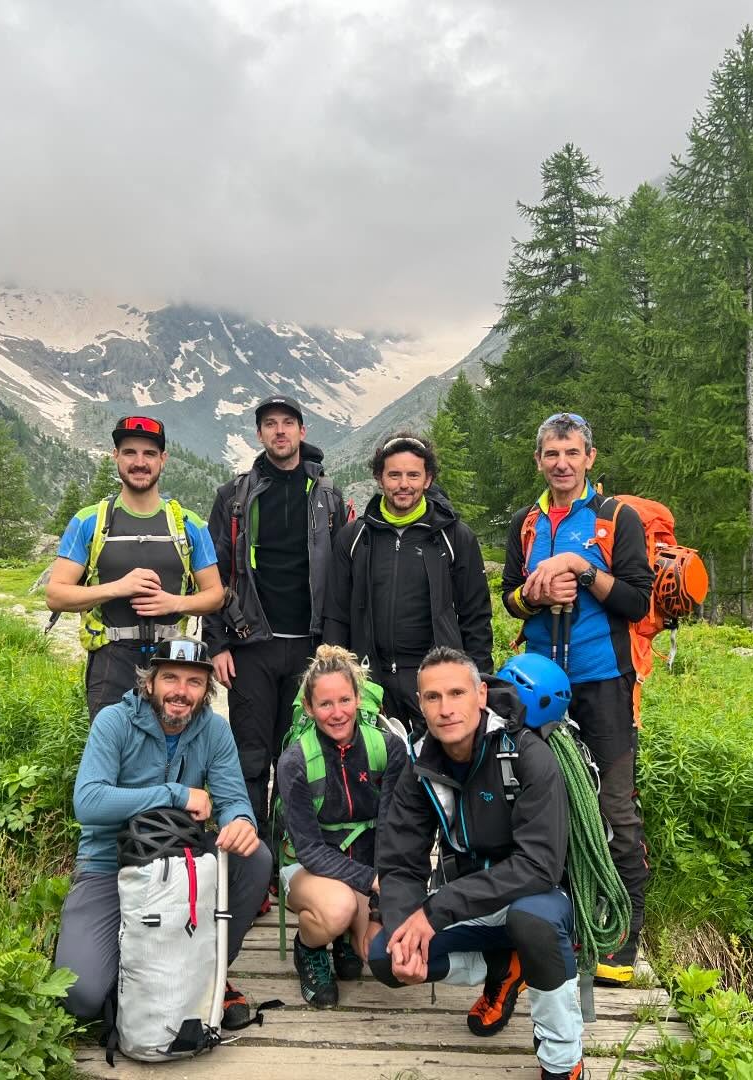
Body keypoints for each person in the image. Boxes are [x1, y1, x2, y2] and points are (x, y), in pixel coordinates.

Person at [369, 647, 585, 1080]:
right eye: (432, 697)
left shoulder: (526, 755)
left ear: (481, 694)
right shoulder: (420, 763)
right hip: (472, 900)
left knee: (532, 925)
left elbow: (539, 865)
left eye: (456, 693)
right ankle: (506, 966)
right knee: (383, 956)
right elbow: (401, 862)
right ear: (420, 703)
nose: (446, 709)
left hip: (538, 898)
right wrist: (401, 932)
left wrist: (437, 909)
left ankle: (563, 1063)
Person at [500, 411, 654, 986]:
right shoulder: (525, 521)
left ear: (590, 458)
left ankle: (623, 930)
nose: (561, 463)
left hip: (605, 681)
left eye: (571, 453)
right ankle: (557, 914)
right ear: (539, 460)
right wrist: (535, 593)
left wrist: (582, 571)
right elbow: (511, 600)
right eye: (551, 454)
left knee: (615, 809)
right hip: (537, 686)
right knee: (538, 802)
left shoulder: (618, 519)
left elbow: (638, 603)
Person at [54, 636, 271, 1029]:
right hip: (109, 864)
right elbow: (88, 802)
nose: (181, 692)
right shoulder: (114, 722)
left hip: (182, 862)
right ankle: (141, 973)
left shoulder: (214, 731)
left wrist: (240, 821)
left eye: (194, 682)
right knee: (80, 997)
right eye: (170, 678)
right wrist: (174, 794)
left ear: (207, 690)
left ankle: (210, 971)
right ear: (149, 682)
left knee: (254, 856)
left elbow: (234, 800)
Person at [205, 396, 348, 863]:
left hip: (310, 649)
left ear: (302, 431)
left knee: (300, 759)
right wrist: (217, 643)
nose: (280, 431)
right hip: (251, 647)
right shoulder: (234, 496)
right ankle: (254, 863)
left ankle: (292, 859)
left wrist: (338, 648)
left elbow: (342, 574)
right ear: (260, 435)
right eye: (270, 424)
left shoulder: (328, 495)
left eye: (288, 423)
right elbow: (215, 573)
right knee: (250, 757)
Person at [46, 415, 223, 718]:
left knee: (171, 757)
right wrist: (118, 588)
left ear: (163, 460)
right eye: (129, 452)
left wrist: (175, 602)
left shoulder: (189, 524)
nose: (139, 462)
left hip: (172, 663)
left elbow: (215, 595)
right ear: (115, 456)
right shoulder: (89, 521)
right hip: (110, 661)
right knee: (112, 757)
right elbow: (56, 596)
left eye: (149, 453)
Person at [323, 432, 493, 732]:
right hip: (368, 679)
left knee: (438, 771)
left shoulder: (454, 537)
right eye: (394, 475)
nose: (404, 484)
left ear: (428, 479)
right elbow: (337, 615)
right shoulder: (354, 538)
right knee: (375, 771)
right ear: (379, 478)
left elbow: (475, 616)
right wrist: (336, 679)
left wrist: (479, 679)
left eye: (413, 475)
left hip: (435, 680)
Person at [276, 644, 407, 1006]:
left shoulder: (388, 748)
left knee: (385, 959)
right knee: (337, 908)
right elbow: (310, 850)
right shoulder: (295, 762)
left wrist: (379, 910)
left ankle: (349, 937)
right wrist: (372, 882)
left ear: (358, 698)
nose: (337, 713)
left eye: (345, 701)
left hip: (366, 868)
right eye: (325, 704)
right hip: (307, 868)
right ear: (309, 707)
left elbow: (392, 830)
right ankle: (311, 947)